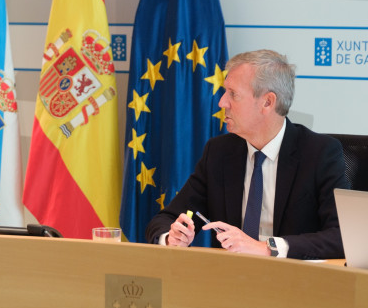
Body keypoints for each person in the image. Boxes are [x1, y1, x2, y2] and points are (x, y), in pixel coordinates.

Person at [145, 49, 347, 259]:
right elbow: (165, 218)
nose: (222, 103)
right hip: (232, 283)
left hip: (296, 283)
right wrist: (171, 237)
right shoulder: (219, 153)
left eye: (233, 94)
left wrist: (267, 248)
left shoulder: (319, 153)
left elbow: (341, 236)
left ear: (267, 102)